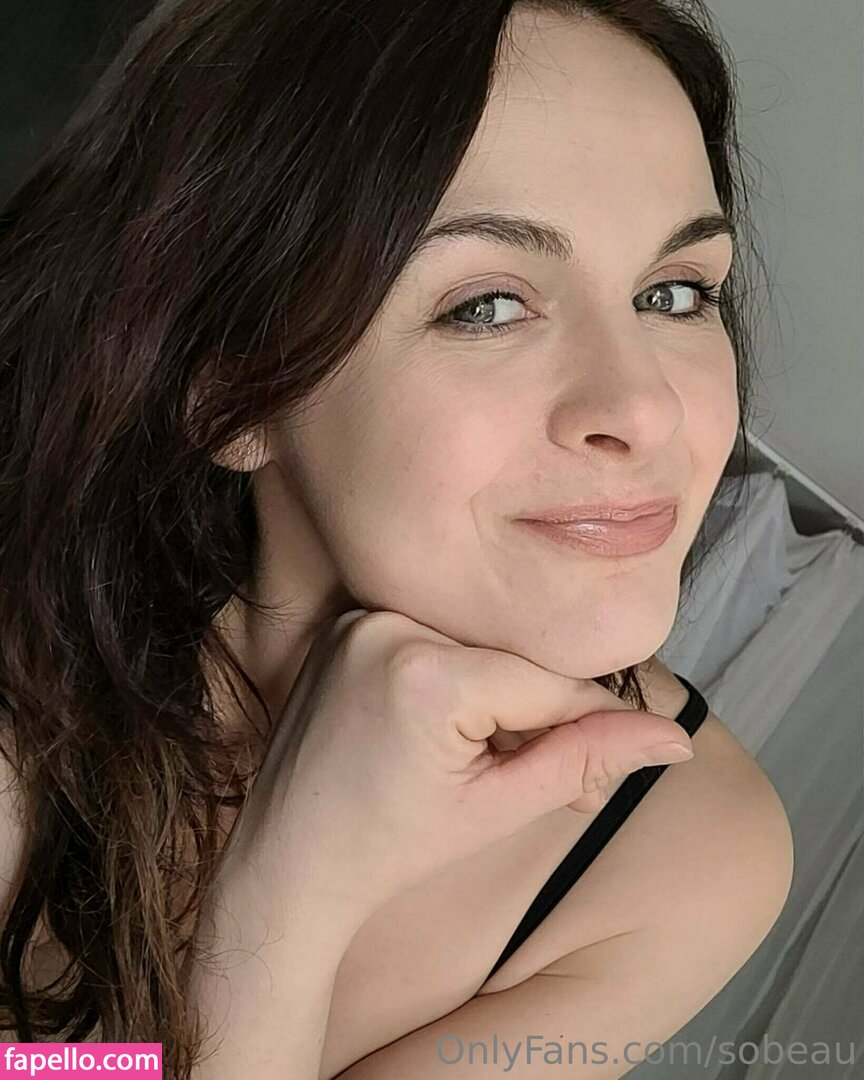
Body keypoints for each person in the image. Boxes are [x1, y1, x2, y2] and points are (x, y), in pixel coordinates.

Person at [0, 0, 793, 1076]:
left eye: (675, 292)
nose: (646, 409)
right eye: (487, 306)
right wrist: (284, 897)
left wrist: (287, 911)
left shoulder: (683, 852)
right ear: (231, 390)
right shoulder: (34, 657)